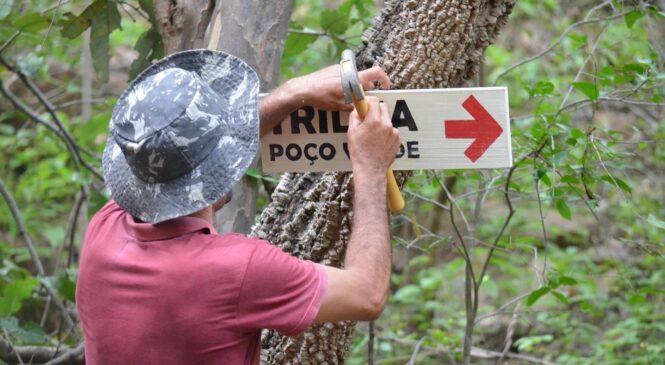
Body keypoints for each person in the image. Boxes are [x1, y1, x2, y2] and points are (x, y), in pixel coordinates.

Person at [76, 49, 400, 364]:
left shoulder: (104, 229)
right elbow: (366, 294)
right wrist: (370, 168)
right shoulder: (236, 271)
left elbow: (172, 159)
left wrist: (293, 93)